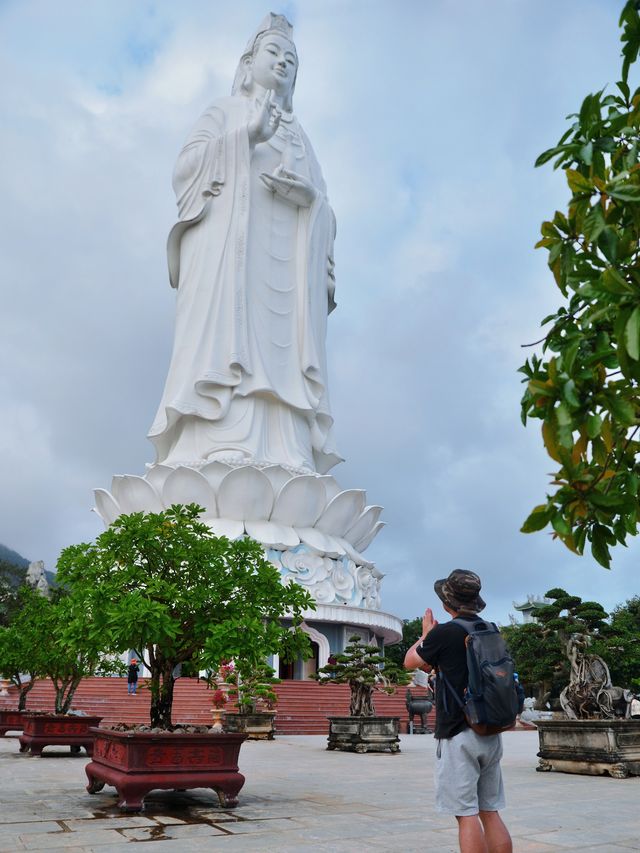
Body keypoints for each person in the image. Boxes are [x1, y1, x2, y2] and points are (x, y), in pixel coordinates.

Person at [148, 13, 341, 475]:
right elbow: (184, 173)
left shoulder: (303, 139)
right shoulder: (224, 112)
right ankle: (217, 440)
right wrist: (245, 139)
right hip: (230, 260)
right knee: (228, 344)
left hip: (287, 271)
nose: (282, 64)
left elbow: (326, 210)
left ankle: (288, 450)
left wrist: (310, 200)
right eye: (273, 53)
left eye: (291, 60)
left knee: (283, 355)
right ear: (249, 61)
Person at [404, 570, 513, 853]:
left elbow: (410, 661)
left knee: (465, 814)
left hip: (458, 731)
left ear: (446, 603)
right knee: (490, 811)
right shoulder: (490, 628)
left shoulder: (445, 632)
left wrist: (425, 635)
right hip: (490, 727)